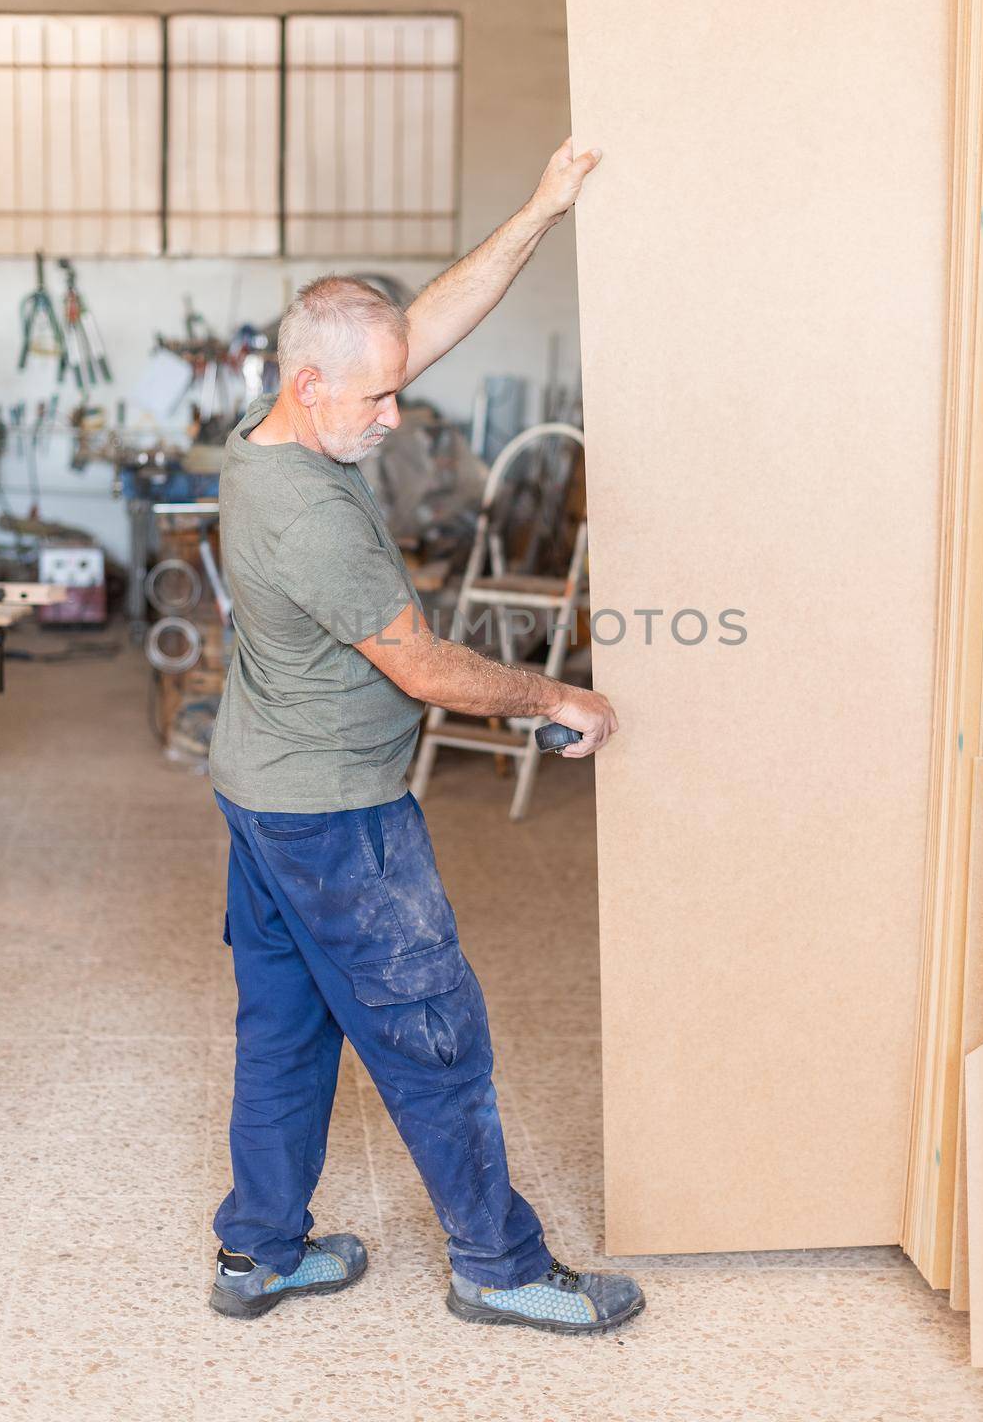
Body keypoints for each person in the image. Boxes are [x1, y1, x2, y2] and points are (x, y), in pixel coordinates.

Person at [206, 140, 644, 1336]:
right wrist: (559, 696)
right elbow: (426, 665)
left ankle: (260, 1254)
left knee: (287, 1031)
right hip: (338, 817)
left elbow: (418, 322)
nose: (398, 417)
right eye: (377, 399)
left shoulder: (277, 426)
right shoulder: (312, 524)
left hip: (261, 794)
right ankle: (500, 1265)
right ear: (309, 387)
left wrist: (541, 207)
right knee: (433, 1031)